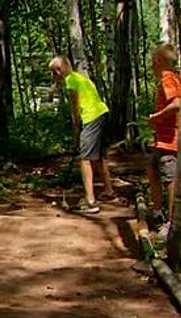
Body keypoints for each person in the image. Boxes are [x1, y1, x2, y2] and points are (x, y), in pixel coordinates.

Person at [48, 56, 115, 215]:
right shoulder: (81, 78)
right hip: (102, 114)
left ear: (59, 70)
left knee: (85, 159)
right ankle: (109, 190)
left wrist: (76, 131)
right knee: (98, 156)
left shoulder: (71, 81)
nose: (53, 76)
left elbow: (75, 109)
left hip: (91, 118)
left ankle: (90, 201)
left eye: (53, 72)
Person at [146, 43, 181, 239]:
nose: (151, 65)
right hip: (161, 140)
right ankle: (157, 212)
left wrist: (156, 117)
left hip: (170, 141)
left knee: (170, 179)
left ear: (159, 61)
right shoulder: (170, 78)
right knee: (152, 170)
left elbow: (177, 104)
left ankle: (172, 222)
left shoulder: (168, 78)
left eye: (152, 61)